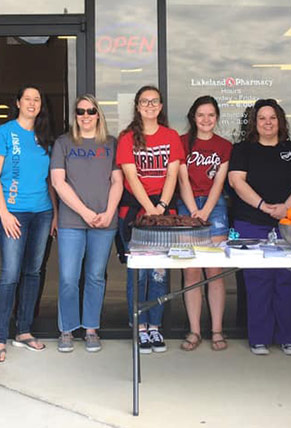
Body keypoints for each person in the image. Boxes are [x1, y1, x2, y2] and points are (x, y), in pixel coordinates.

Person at [228, 99, 291, 355]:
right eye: (262, 118)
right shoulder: (243, 149)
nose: (267, 123)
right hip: (251, 221)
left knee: (287, 279)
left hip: (288, 223)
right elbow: (236, 181)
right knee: (257, 281)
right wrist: (264, 206)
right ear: (255, 122)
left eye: (272, 118)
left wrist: (286, 207)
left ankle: (288, 338)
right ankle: (259, 338)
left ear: (280, 121)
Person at [0, 84, 57, 364]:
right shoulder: (4, 133)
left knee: (33, 272)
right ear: (17, 102)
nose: (32, 103)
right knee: (10, 274)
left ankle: (24, 331)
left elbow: (50, 180)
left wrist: (55, 214)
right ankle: (0, 337)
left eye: (37, 99)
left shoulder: (45, 138)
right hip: (12, 213)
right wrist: (3, 213)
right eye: (27, 98)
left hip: (42, 213)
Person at [51, 94, 123, 353]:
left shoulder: (111, 144)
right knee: (69, 277)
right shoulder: (64, 143)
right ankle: (67, 329)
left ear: (98, 114)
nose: (85, 116)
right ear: (75, 115)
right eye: (80, 111)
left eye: (90, 111)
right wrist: (84, 212)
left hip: (105, 221)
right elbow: (59, 183)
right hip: (72, 220)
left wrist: (108, 211)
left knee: (95, 276)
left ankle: (91, 327)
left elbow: (118, 181)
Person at [116, 85, 184, 354]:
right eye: (145, 101)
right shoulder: (127, 138)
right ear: (137, 106)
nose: (150, 105)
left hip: (164, 214)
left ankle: (155, 327)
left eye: (154, 101)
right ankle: (139, 328)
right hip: (135, 215)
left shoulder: (171, 136)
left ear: (161, 106)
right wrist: (150, 209)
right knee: (139, 274)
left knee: (159, 273)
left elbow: (172, 175)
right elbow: (131, 178)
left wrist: (162, 206)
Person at [176, 95, 232, 351]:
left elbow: (219, 183)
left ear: (217, 118)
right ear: (193, 117)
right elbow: (182, 180)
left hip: (215, 206)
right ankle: (195, 331)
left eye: (211, 115)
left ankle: (217, 330)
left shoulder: (224, 146)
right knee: (191, 271)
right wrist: (194, 211)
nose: (206, 119)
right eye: (201, 115)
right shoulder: (182, 142)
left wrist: (207, 210)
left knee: (214, 271)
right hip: (187, 206)